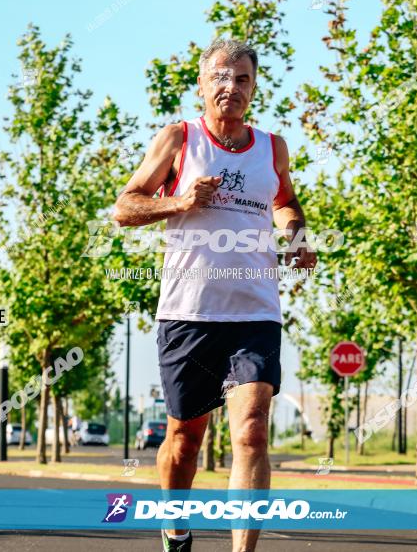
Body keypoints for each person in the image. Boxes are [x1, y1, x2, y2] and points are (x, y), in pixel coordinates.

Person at [114, 38, 316, 552]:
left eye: (242, 79)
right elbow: (124, 206)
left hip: (256, 310)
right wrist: (180, 202)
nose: (231, 87)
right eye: (221, 78)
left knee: (251, 431)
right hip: (189, 311)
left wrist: (296, 237)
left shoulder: (272, 147)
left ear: (253, 88)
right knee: (185, 441)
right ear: (202, 85)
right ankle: (176, 528)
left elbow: (285, 201)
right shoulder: (180, 138)